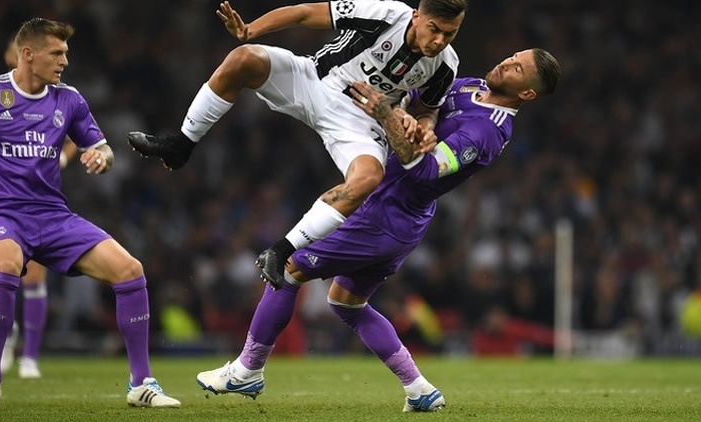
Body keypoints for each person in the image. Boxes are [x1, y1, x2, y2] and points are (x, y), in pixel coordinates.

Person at [195, 48, 561, 412]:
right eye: (512, 55)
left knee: (288, 269)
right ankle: (419, 389)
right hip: (397, 214)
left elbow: (426, 172)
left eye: (517, 68)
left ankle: (248, 368)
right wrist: (418, 118)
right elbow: (425, 99)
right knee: (346, 302)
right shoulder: (472, 86)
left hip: (385, 215)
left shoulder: (489, 130)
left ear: (526, 93)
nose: (505, 61)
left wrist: (387, 114)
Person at [128, 0, 468, 288]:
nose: (439, 41)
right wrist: (250, 30)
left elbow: (426, 110)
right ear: (417, 16)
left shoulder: (445, 65)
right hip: (314, 81)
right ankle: (181, 144)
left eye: (449, 34)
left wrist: (422, 127)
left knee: (367, 179)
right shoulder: (386, 15)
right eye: (434, 29)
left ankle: (280, 250)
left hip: (360, 122)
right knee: (243, 58)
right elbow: (305, 14)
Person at [0, 18, 180, 411]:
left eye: (66, 53)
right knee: (6, 265)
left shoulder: (69, 99)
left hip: (54, 217)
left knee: (130, 269)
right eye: (56, 53)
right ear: (29, 54)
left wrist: (101, 158)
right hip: (4, 213)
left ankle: (141, 382)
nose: (64, 61)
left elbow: (103, 149)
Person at [0, 38, 78, 379]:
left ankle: (31, 357)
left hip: (40, 202)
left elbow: (77, 136)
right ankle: (5, 344)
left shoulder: (56, 98)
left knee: (36, 274)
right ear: (16, 57)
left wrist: (61, 162)